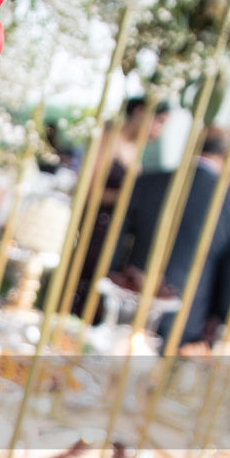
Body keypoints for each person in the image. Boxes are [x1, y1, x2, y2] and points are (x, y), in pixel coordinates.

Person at [115, 126, 230, 345]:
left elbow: (116, 239)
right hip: (186, 318)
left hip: (127, 301)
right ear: (228, 156)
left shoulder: (149, 181)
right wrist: (222, 320)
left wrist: (115, 278)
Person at [68, 97, 171, 313]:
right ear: (141, 112)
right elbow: (88, 192)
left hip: (116, 237)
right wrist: (129, 197)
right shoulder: (107, 139)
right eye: (159, 121)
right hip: (93, 231)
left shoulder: (137, 151)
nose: (159, 131)